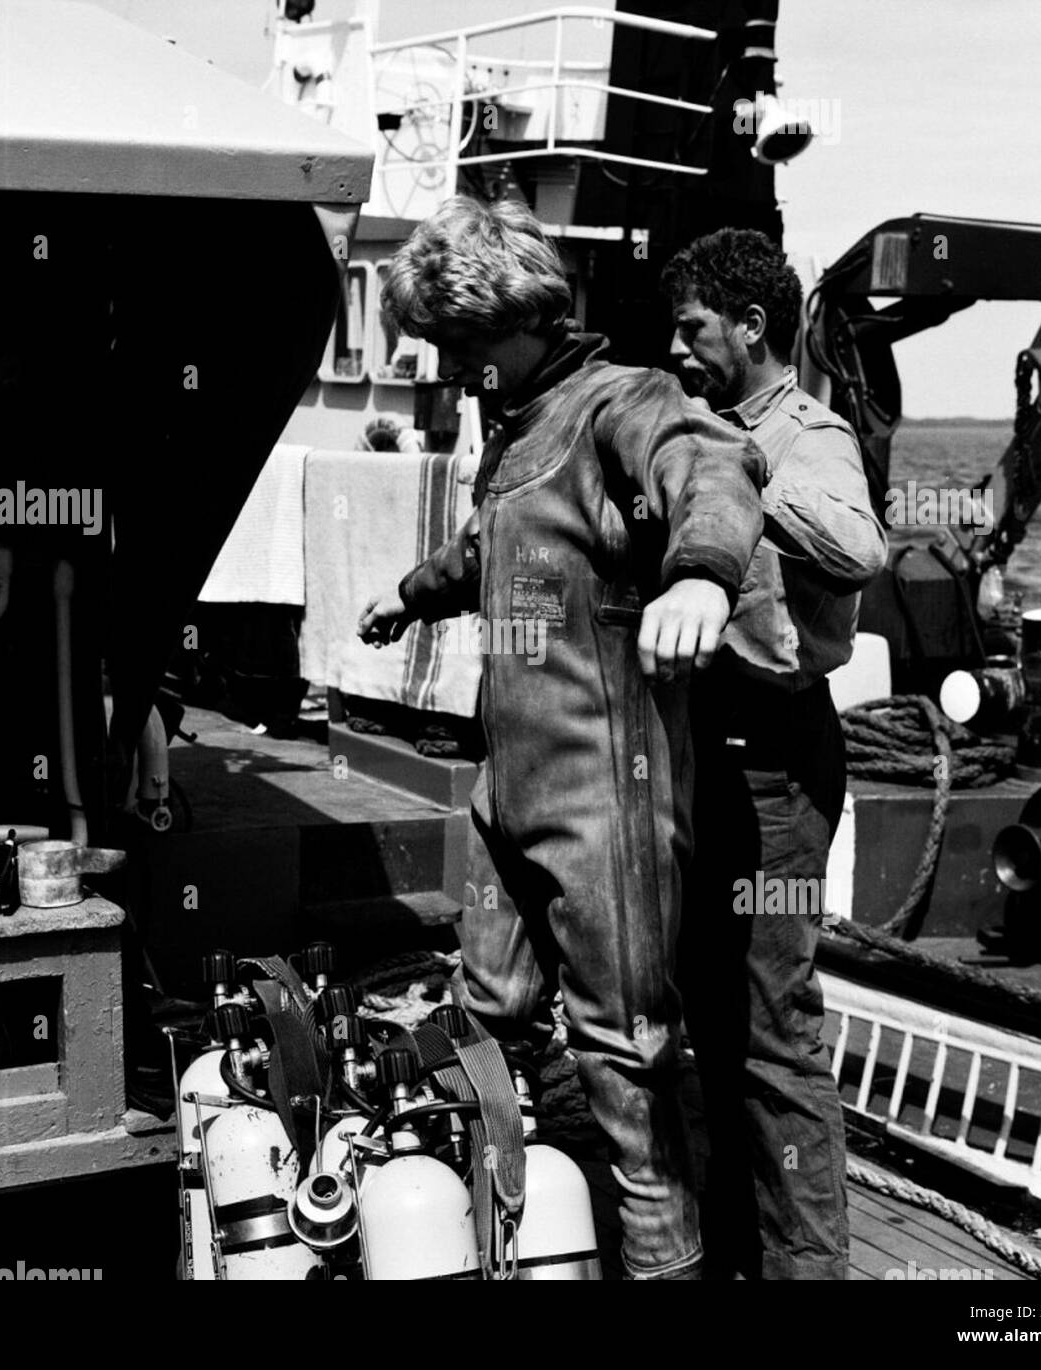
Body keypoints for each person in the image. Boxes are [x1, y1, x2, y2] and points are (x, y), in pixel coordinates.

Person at [358, 196, 766, 1279]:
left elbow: (712, 465)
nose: (448, 368)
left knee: (627, 1061)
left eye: (459, 344)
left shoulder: (621, 404)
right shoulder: (521, 428)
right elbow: (486, 549)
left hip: (605, 802)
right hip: (508, 792)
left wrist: (697, 573)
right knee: (481, 1019)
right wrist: (410, 595)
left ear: (516, 314)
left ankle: (667, 1264)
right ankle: (507, 1232)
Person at [663, 227, 888, 1280]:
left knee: (774, 1025)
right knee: (709, 1011)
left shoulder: (810, 437)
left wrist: (748, 469)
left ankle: (809, 1268)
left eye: (693, 327)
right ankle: (737, 1244)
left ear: (752, 327)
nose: (675, 347)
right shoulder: (692, 423)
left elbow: (860, 548)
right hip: (702, 750)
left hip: (778, 766)